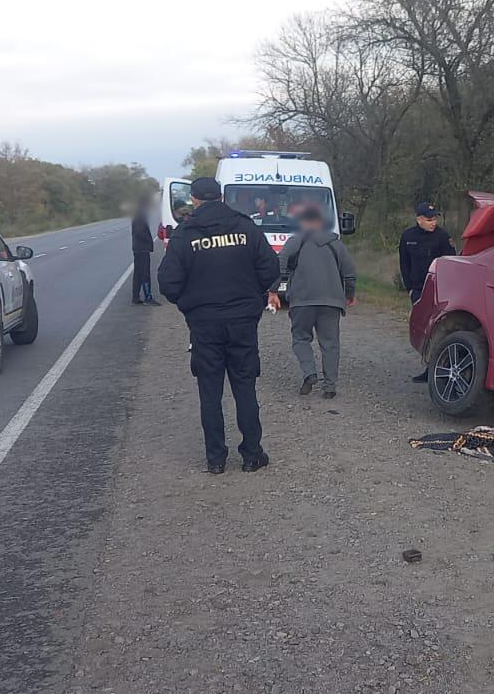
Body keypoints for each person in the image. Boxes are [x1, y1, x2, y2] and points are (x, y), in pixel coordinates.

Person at [159, 176, 280, 473]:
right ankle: (252, 454)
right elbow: (270, 268)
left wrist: (190, 302)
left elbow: (168, 282)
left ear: (195, 200)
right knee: (245, 387)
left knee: (210, 392)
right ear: (222, 197)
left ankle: (216, 459)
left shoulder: (186, 233)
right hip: (242, 321)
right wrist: (254, 295)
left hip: (204, 324)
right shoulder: (244, 227)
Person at [270, 205, 356, 399]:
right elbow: (349, 273)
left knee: (300, 338)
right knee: (331, 344)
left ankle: (310, 373)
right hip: (331, 301)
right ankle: (330, 387)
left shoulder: (296, 241)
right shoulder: (336, 244)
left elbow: (280, 260)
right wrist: (349, 294)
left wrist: (275, 288)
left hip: (302, 300)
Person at [398, 201, 455, 383]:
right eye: (429, 219)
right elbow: (404, 264)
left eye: (435, 219)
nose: (433, 223)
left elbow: (452, 262)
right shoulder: (408, 236)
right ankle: (426, 366)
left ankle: (435, 368)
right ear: (419, 219)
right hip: (417, 288)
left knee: (437, 328)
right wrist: (409, 288)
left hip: (438, 290)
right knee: (422, 328)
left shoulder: (442, 237)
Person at [130, 195, 159, 305]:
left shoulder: (138, 214)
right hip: (142, 248)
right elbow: (140, 232)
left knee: (138, 273)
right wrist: (149, 242)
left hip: (138, 247)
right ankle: (148, 297)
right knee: (144, 274)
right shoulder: (140, 215)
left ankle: (135, 297)